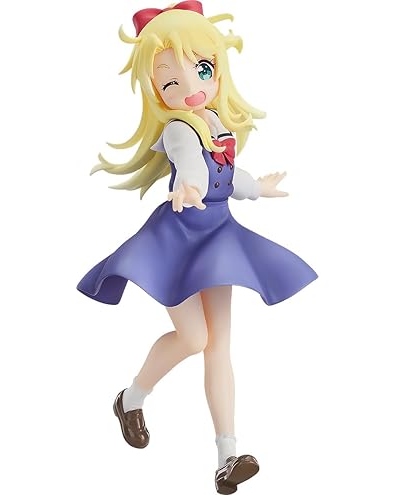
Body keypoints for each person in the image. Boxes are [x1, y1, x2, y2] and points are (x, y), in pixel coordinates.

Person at [77, 2, 318, 493]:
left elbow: (228, 174)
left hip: (218, 237)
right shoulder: (178, 128)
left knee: (220, 345)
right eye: (170, 81)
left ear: (218, 69)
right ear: (156, 89)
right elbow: (191, 163)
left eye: (201, 70)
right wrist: (189, 186)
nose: (189, 88)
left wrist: (257, 187)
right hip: (177, 240)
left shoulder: (216, 120)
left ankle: (228, 455)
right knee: (194, 338)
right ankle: (131, 398)